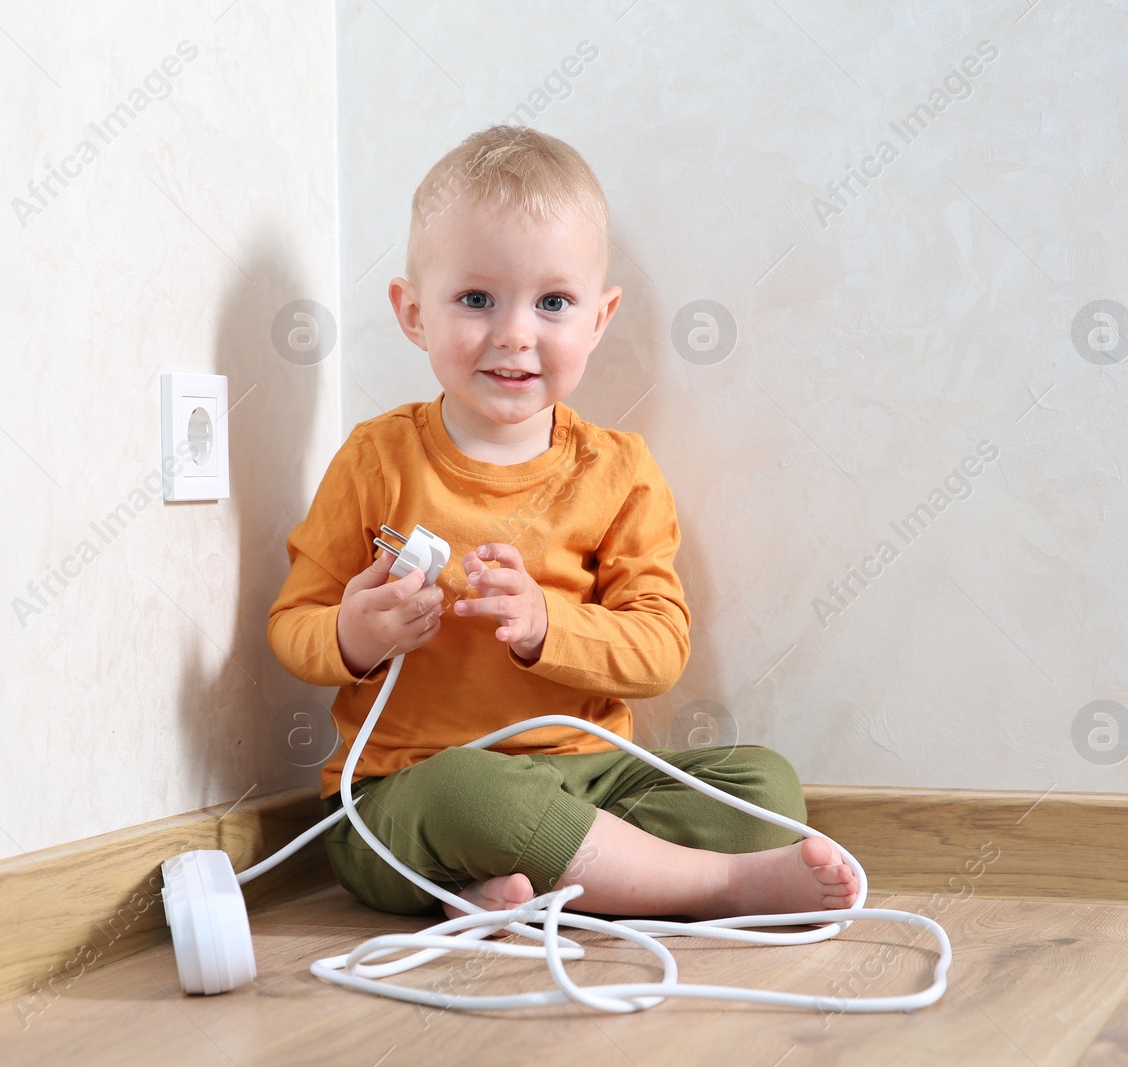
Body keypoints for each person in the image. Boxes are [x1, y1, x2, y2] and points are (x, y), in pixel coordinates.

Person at [267, 124, 857, 921]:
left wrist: (550, 625)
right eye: (477, 299)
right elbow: (292, 625)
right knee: (469, 794)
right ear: (412, 312)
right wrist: (356, 636)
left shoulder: (617, 472)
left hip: (589, 777)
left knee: (763, 785)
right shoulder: (377, 460)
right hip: (412, 793)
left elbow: (659, 649)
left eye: (552, 303)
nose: (515, 333)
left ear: (599, 318)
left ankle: (525, 889)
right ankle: (712, 887)